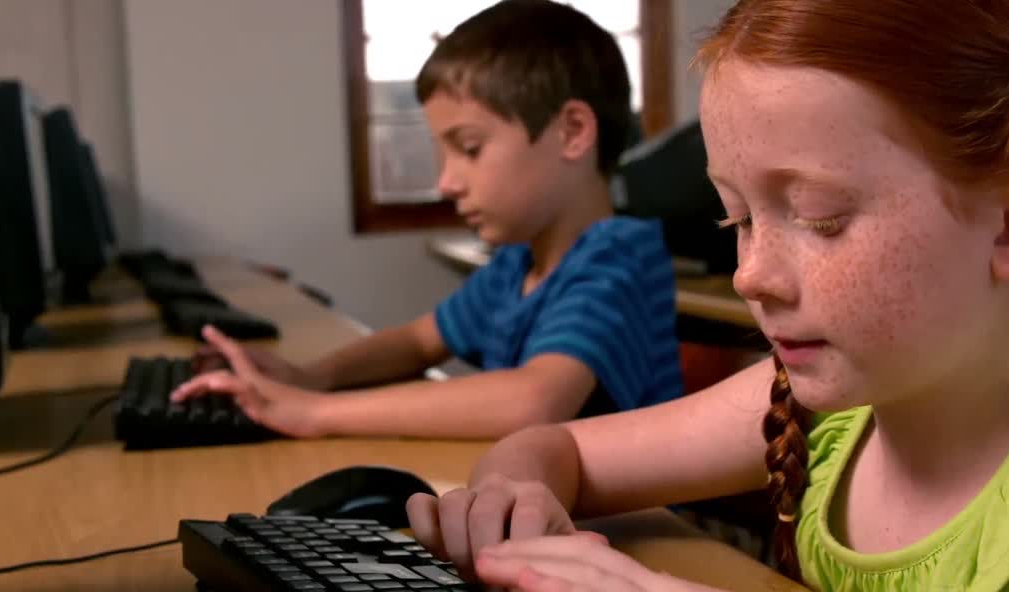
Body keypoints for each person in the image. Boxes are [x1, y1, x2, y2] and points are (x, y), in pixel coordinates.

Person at [406, 1, 1009, 592]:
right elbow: (554, 445)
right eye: (739, 218)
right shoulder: (804, 405)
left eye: (821, 217)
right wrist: (516, 497)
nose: (750, 274)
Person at [170, 0, 682, 439]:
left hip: (640, 533)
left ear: (572, 132)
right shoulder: (517, 266)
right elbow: (417, 341)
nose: (447, 183)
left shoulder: (618, 258)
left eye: (469, 148)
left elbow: (534, 400)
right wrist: (309, 378)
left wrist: (315, 413)